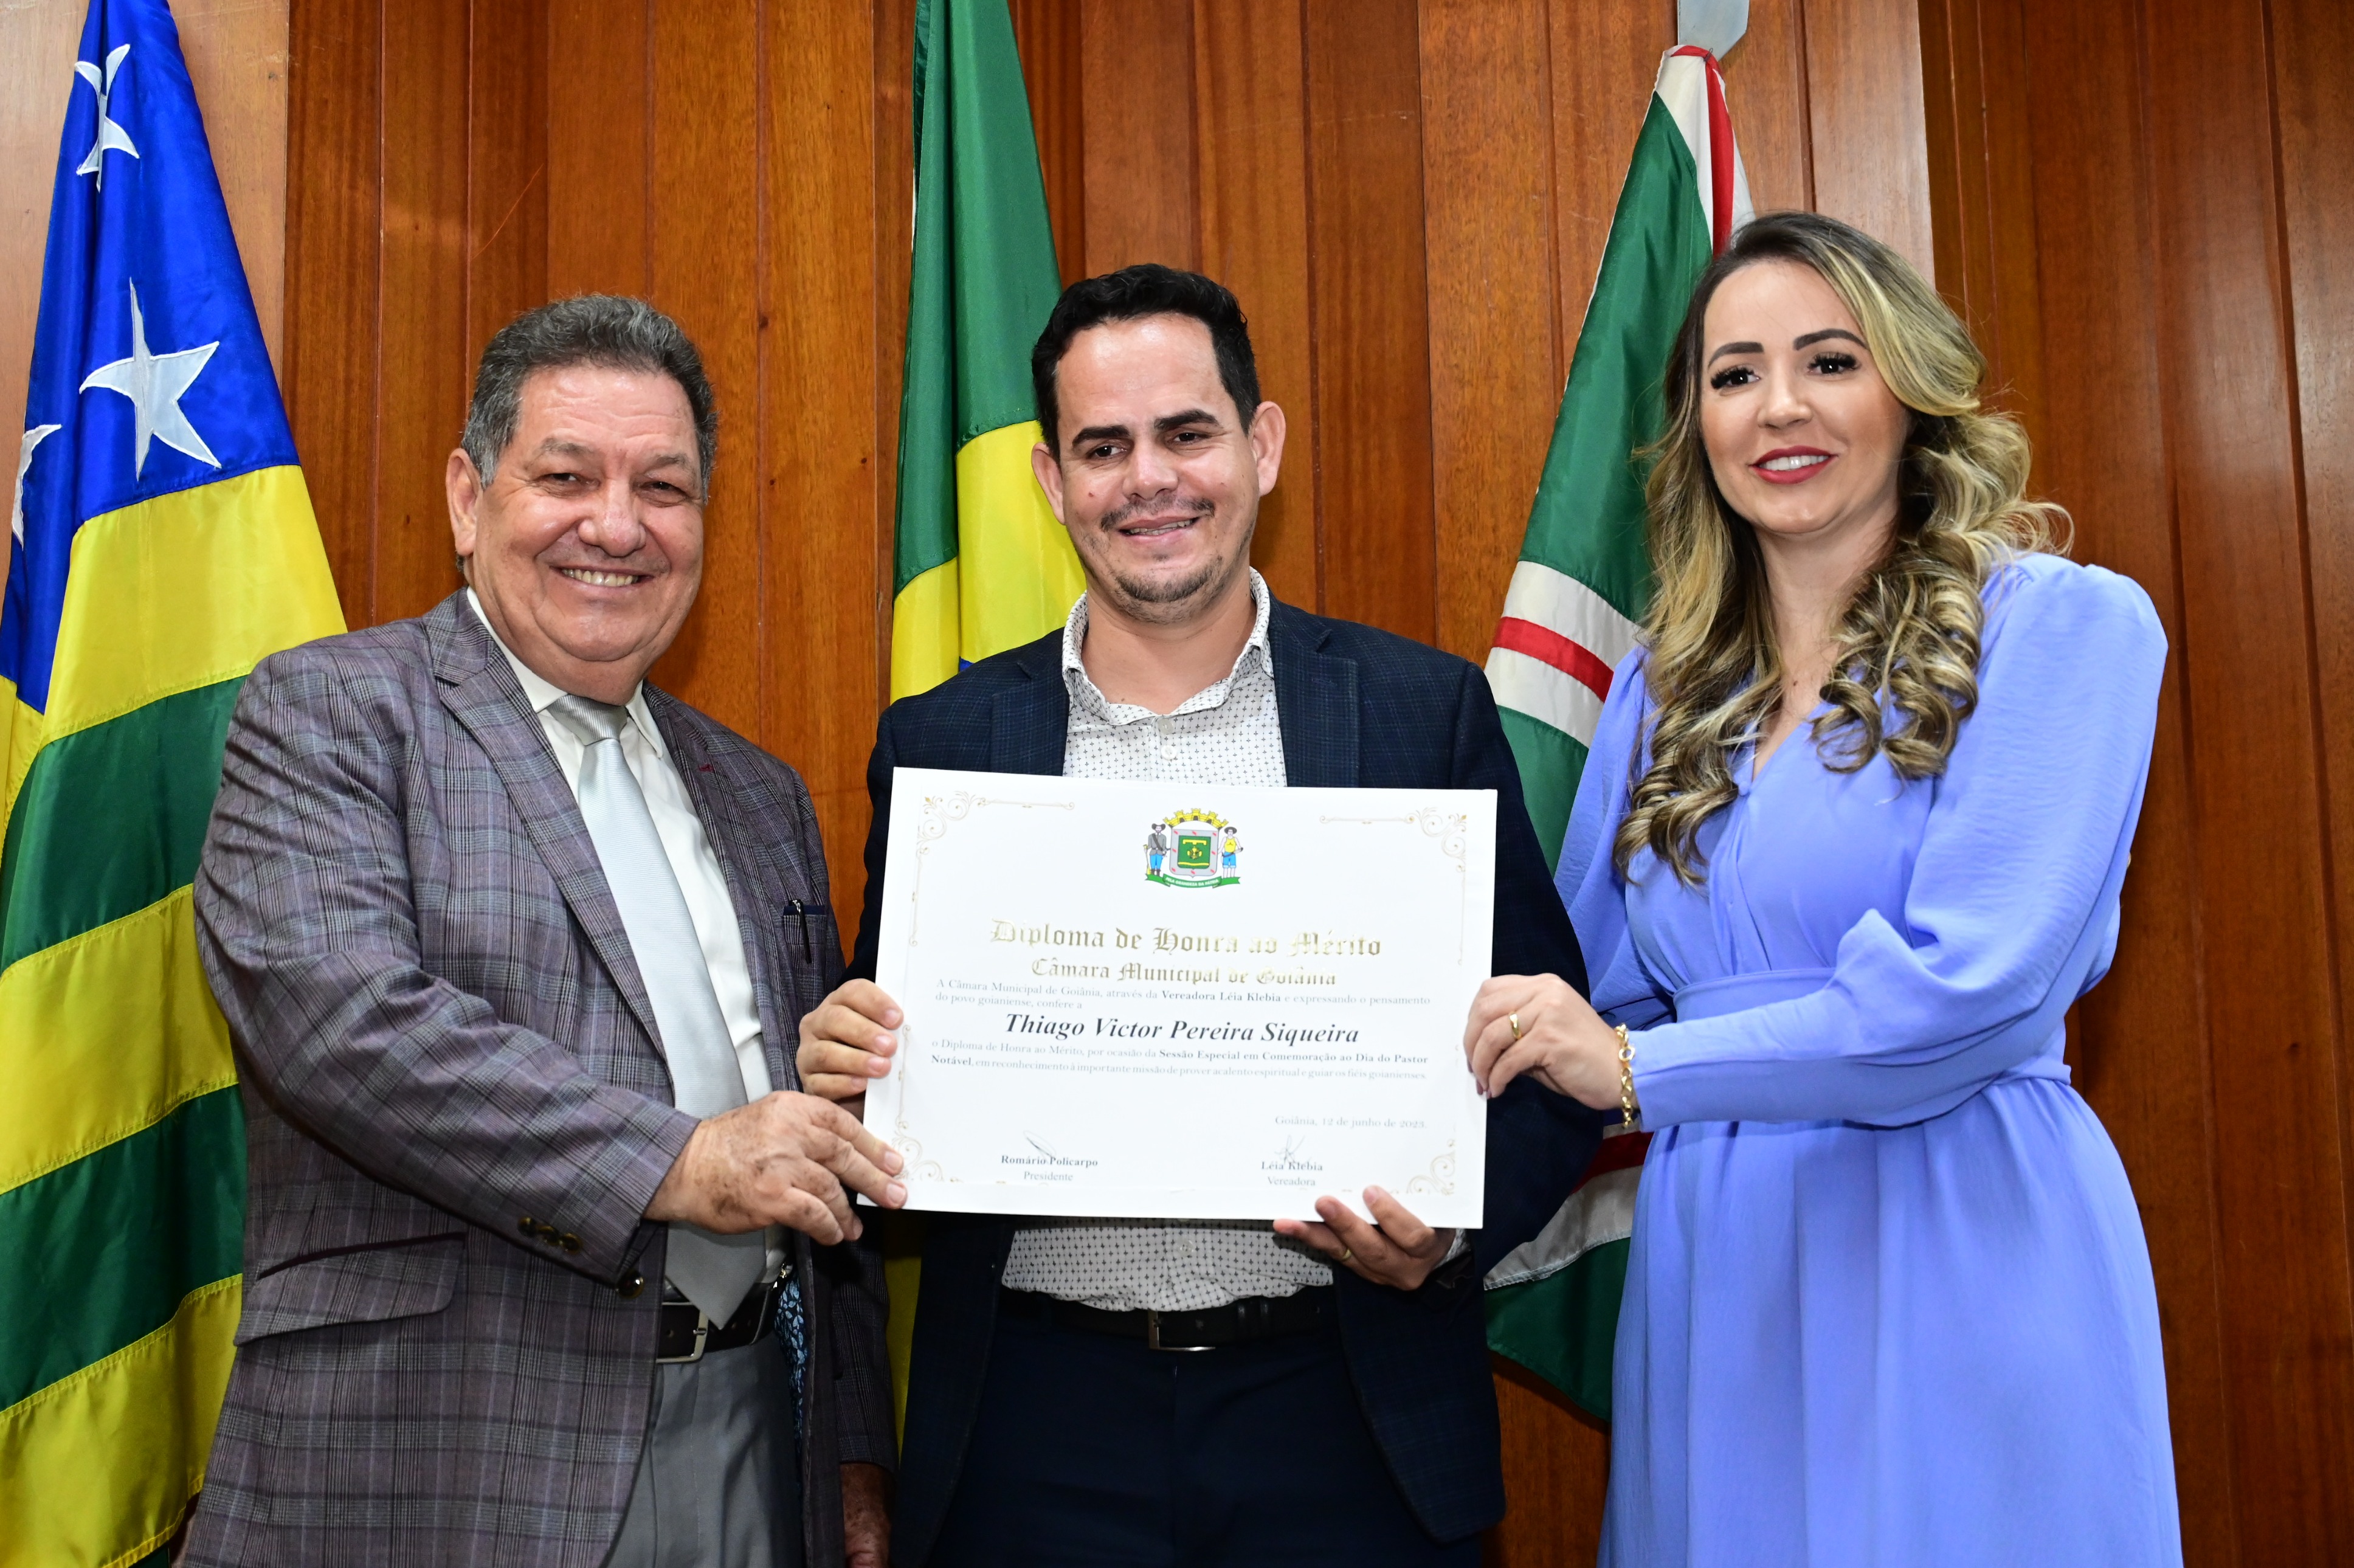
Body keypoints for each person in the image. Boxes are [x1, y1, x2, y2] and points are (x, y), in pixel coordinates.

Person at [795, 264, 1602, 1566]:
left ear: (1260, 445)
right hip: (1036, 1424)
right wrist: (847, 1073)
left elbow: (1554, 1060)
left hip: (1345, 1411)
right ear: (1051, 481)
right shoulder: (948, 745)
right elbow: (894, 1081)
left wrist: (1445, 1239)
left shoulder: (1419, 714)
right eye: (1102, 447)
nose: (1149, 480)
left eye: (1186, 433)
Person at [1465, 212, 2182, 1566]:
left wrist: (1635, 1072)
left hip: (1956, 1230)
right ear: (1697, 429)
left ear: (1912, 392)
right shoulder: (1661, 690)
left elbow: (1963, 996)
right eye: (1734, 375)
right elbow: (1571, 996)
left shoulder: (2059, 625)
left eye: (1829, 361)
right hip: (1718, 1263)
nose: (1779, 406)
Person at [186, 296, 906, 1568]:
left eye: (662, 488)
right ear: (469, 500)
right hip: (448, 1451)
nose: (616, 526)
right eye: (566, 478)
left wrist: (851, 1449)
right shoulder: (333, 714)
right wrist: (681, 1163)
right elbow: (344, 1027)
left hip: (753, 1435)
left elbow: (805, 1144)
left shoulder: (760, 793)